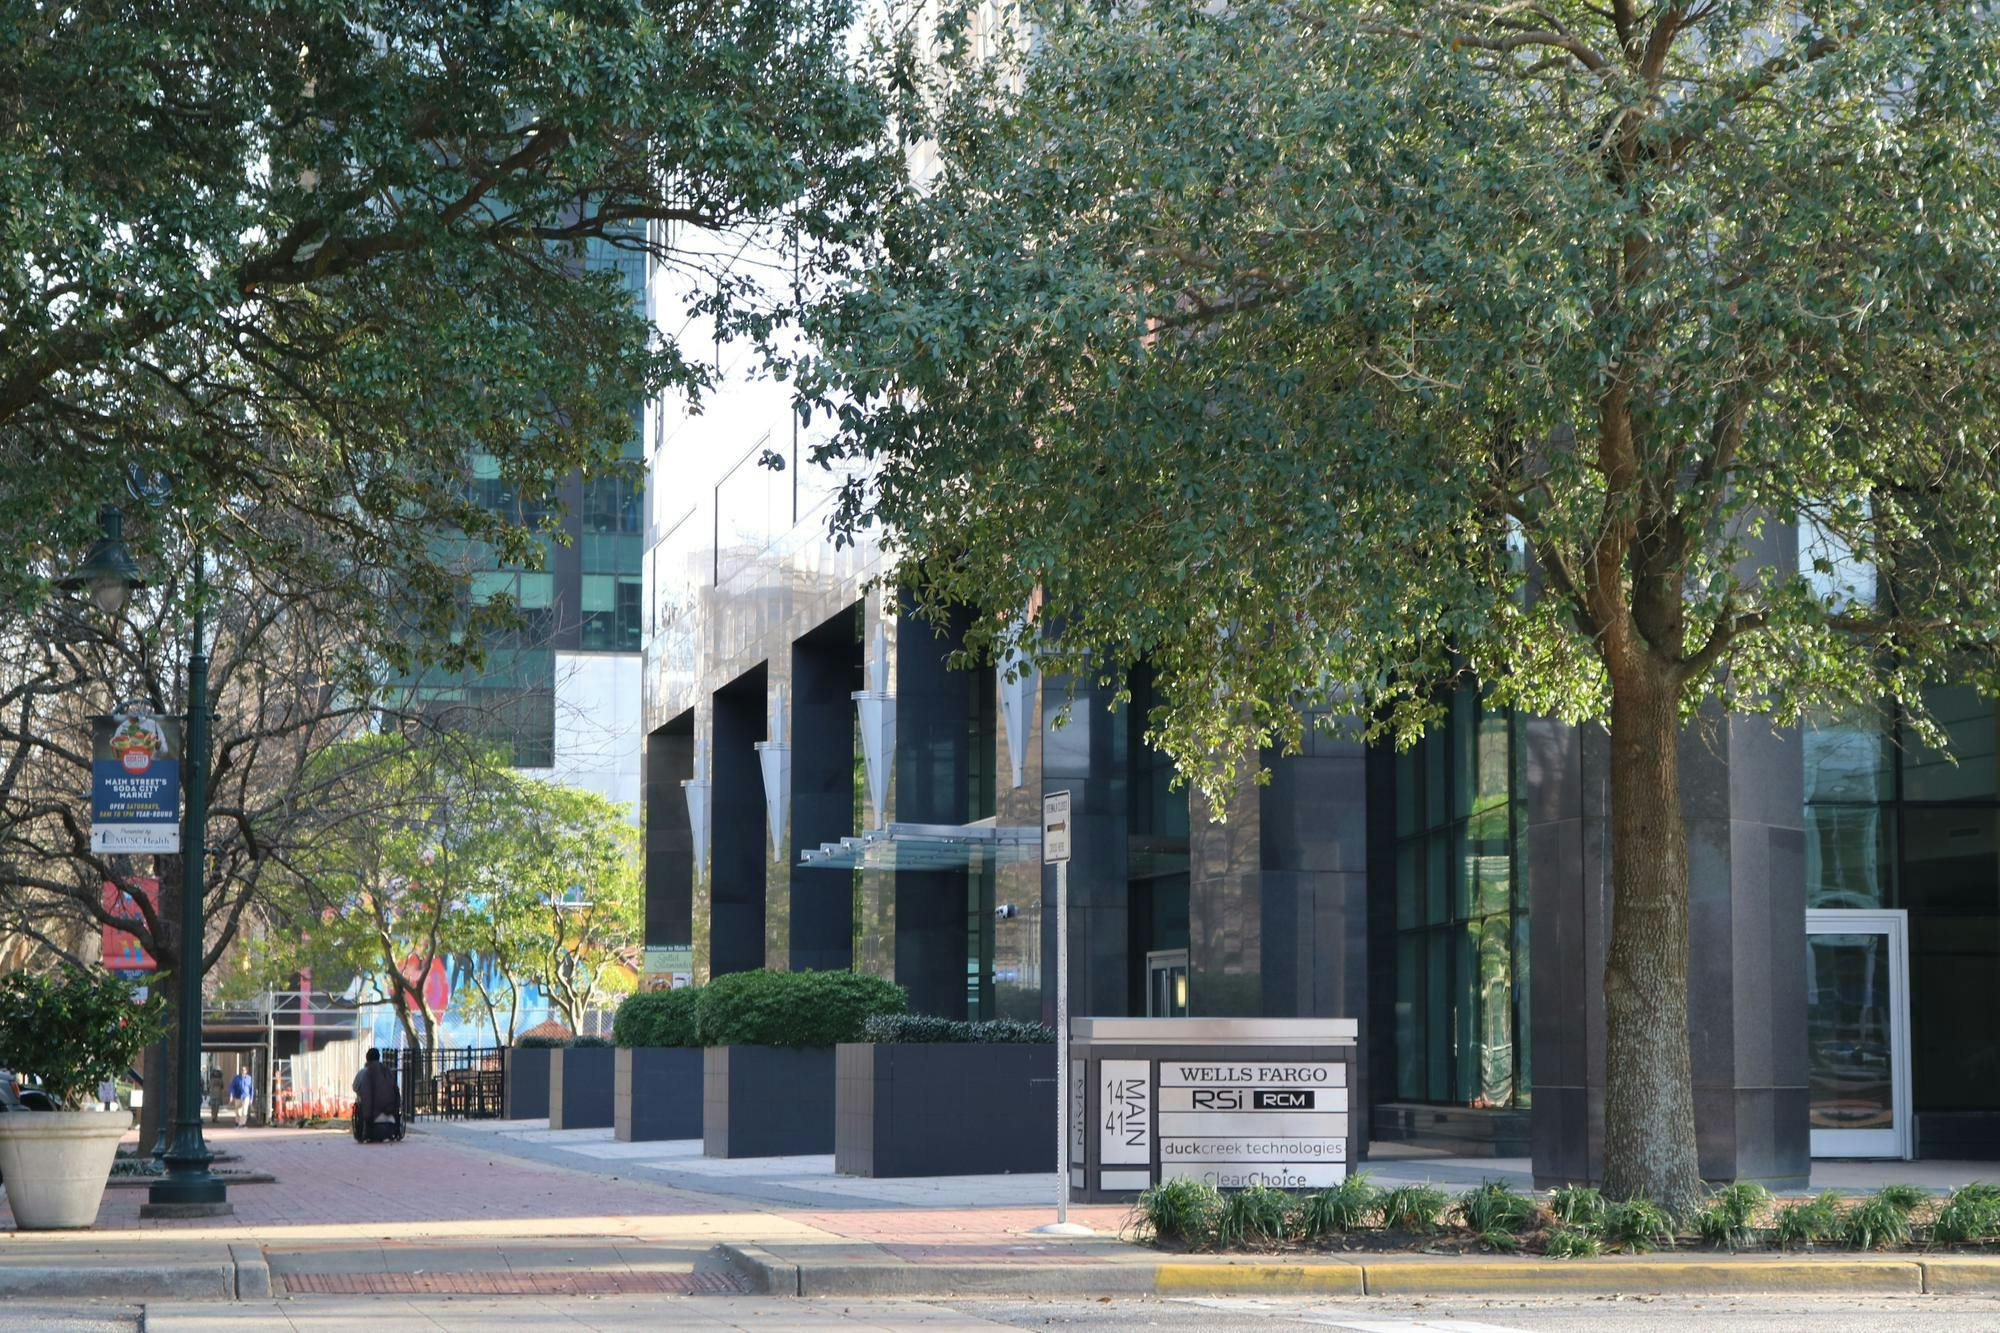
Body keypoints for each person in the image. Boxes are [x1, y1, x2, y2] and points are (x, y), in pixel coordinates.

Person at [350, 1048, 401, 1143]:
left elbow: (355, 1088)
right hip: (391, 1121)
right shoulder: (387, 1072)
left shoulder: (364, 1073)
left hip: (373, 1124)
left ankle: (365, 1131)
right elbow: (396, 1091)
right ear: (379, 1058)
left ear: (367, 1059)